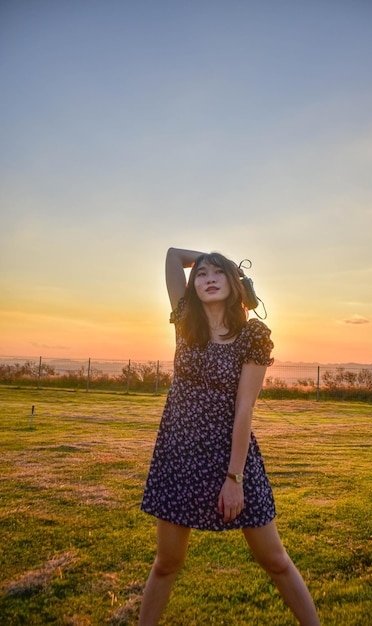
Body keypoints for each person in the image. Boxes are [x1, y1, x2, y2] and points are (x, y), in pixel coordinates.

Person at [138, 247, 320, 625]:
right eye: (201, 273)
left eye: (218, 273)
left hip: (233, 455)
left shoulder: (252, 335)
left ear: (234, 284)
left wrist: (234, 477)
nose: (208, 278)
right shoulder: (185, 320)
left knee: (274, 559)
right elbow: (173, 256)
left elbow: (244, 409)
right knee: (167, 562)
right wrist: (220, 258)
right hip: (180, 453)